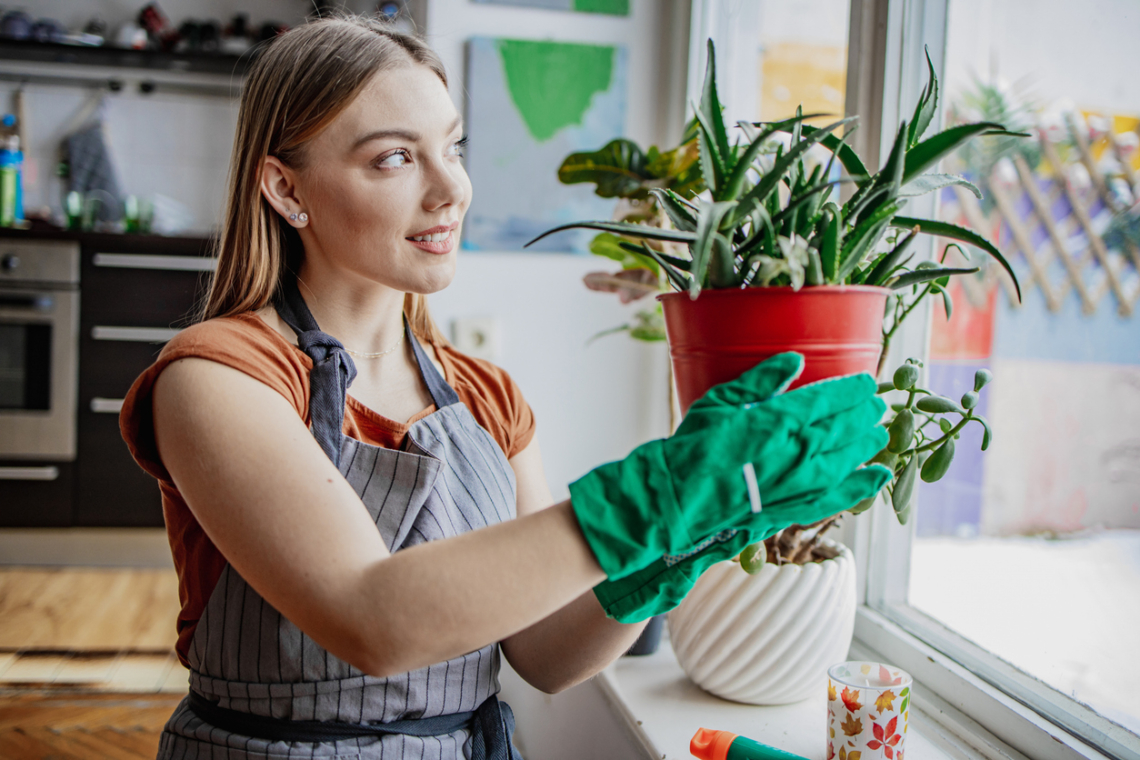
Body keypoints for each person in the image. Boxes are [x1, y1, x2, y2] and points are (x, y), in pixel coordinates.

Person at [120, 15, 890, 760]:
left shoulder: (485, 396)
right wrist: (649, 498)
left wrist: (672, 550)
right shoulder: (217, 379)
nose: (449, 188)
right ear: (287, 190)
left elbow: (547, 654)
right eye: (393, 158)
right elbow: (372, 619)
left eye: (453, 146)